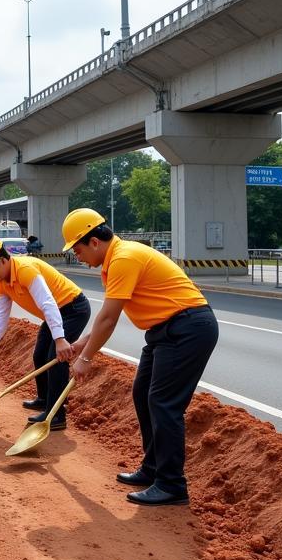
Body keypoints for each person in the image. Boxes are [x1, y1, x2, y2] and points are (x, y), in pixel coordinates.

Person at [62, 208, 219, 507]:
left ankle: (172, 485)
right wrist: (82, 344)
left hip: (187, 329)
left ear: (94, 241)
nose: (77, 256)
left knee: (164, 404)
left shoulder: (124, 258)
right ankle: (153, 468)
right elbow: (105, 317)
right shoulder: (117, 258)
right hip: (165, 331)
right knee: (143, 393)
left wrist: (86, 359)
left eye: (78, 249)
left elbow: (109, 318)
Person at [0, 235, 91, 430]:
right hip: (53, 313)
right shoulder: (0, 282)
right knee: (39, 355)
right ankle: (45, 399)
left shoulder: (26, 270)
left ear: (3, 260)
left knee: (56, 357)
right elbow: (1, 314)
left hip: (72, 308)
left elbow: (47, 303)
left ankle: (57, 415)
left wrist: (60, 339)